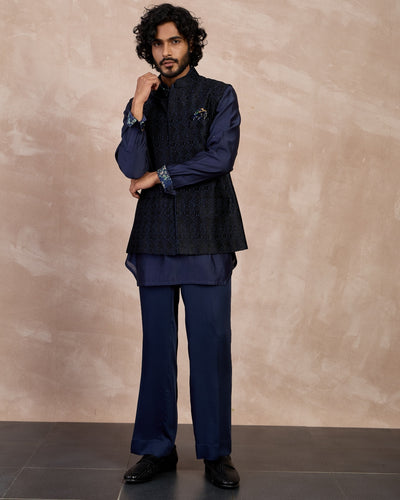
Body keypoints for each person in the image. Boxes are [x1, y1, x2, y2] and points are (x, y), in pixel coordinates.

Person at [115, 3, 247, 489]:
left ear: (190, 44)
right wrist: (136, 106)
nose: (166, 51)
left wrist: (161, 176)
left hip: (207, 232)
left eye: (174, 41)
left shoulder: (218, 94)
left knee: (210, 346)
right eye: (158, 43)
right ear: (148, 49)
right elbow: (131, 166)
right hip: (154, 235)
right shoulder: (143, 101)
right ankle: (156, 448)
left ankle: (215, 452)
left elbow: (220, 157)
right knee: (157, 348)